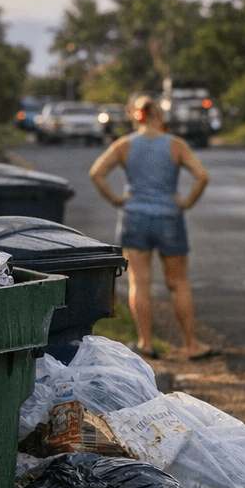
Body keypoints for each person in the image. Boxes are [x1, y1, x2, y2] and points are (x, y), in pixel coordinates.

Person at [89, 94, 218, 360]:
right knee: (178, 282)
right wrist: (186, 203)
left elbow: (96, 173)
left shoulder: (124, 144)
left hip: (134, 217)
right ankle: (192, 344)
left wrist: (115, 199)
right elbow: (202, 176)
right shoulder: (176, 145)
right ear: (159, 116)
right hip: (170, 217)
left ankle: (145, 343)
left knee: (139, 282)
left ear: (134, 117)